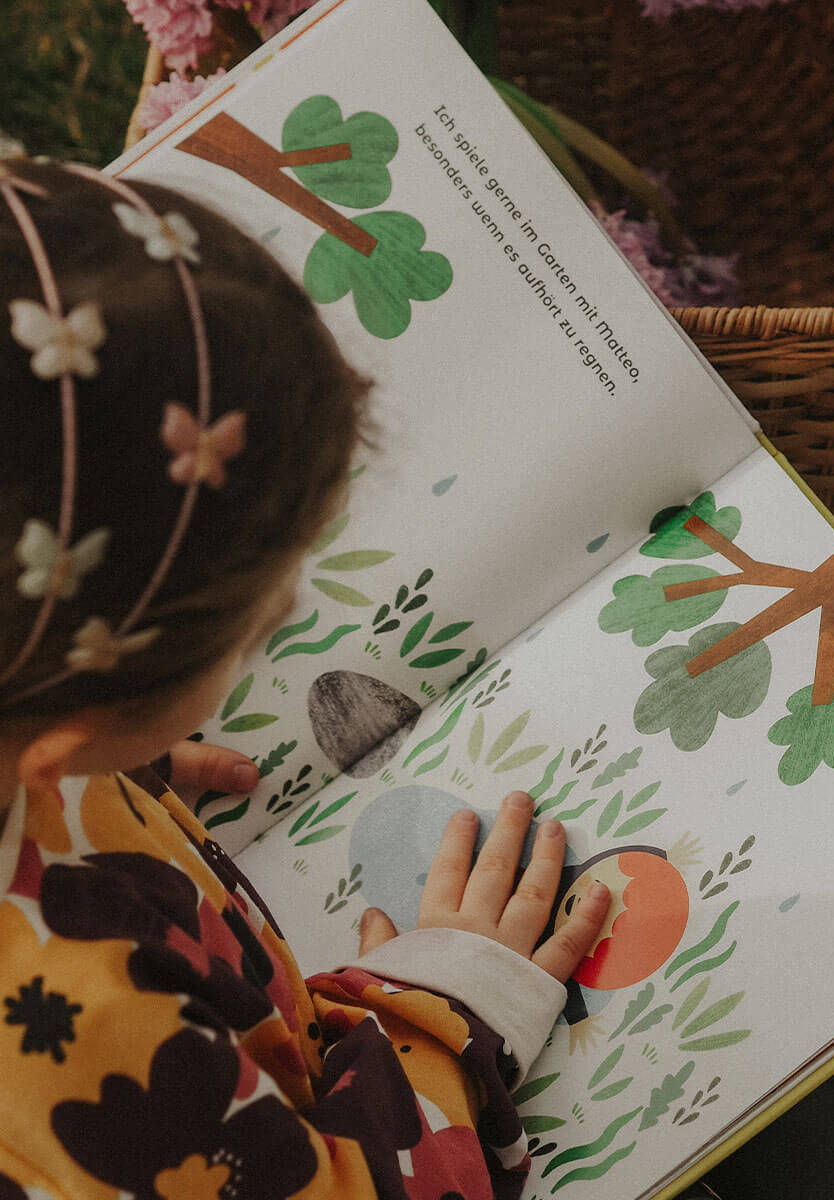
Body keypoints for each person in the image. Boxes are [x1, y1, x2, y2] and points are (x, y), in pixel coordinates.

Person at [0, 157, 611, 1199]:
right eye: (261, 621)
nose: (286, 615)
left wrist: (119, 764)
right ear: (73, 726)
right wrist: (453, 1001)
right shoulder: (81, 1034)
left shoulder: (38, 733)